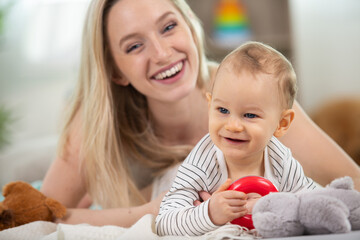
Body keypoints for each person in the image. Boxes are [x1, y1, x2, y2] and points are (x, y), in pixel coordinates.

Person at [40, 0, 360, 227]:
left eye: (168, 27)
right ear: (115, 72)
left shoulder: (255, 96)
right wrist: (152, 211)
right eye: (134, 46)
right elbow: (38, 213)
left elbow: (354, 185)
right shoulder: (98, 120)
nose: (163, 53)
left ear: (190, 25)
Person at [155, 41, 319, 236]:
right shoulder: (202, 163)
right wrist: (210, 213)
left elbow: (313, 207)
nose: (232, 126)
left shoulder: (280, 160)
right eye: (222, 110)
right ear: (210, 106)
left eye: (249, 115)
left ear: (281, 123)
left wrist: (275, 206)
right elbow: (164, 222)